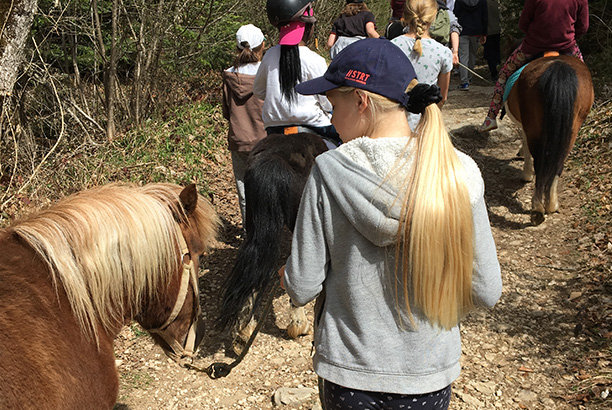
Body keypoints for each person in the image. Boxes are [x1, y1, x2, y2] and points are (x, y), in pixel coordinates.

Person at [279, 38, 502, 410]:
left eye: (333, 105)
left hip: (349, 375)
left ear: (361, 101)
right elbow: (487, 290)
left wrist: (288, 275)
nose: (331, 118)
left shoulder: (330, 172)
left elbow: (302, 286)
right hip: (429, 375)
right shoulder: (457, 172)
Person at [479, 0, 589, 132]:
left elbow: (523, 24)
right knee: (585, 78)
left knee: (504, 74)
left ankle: (491, 117)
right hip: (567, 47)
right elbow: (583, 27)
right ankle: (585, 113)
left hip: (533, 46)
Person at [253, 0, 340, 148]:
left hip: (275, 130)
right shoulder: (316, 60)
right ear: (309, 27)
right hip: (315, 127)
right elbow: (327, 101)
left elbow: (259, 91)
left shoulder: (269, 55)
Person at [222, 24, 267, 226]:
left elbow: (226, 111)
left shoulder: (229, 75)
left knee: (244, 191)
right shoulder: (266, 73)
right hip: (265, 140)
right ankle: (268, 232)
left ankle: (250, 235)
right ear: (262, 46)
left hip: (239, 139)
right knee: (266, 188)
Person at [391, 0, 453, 130]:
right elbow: (442, 97)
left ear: (406, 14)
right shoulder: (443, 52)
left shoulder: (391, 47)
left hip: (395, 123)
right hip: (425, 124)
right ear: (434, 16)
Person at [454, 0, 488, 90]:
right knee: (472, 56)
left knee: (463, 57)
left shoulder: (459, 1)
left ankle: (464, 82)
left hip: (462, 31)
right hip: (476, 32)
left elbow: (455, 15)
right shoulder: (482, 1)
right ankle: (469, 78)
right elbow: (485, 17)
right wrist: (484, 34)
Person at [483, 0, 501, 81]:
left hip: (488, 32)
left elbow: (483, 17)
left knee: (490, 53)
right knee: (496, 52)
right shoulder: (495, 2)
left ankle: (494, 73)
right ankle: (498, 70)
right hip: (496, 30)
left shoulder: (484, 2)